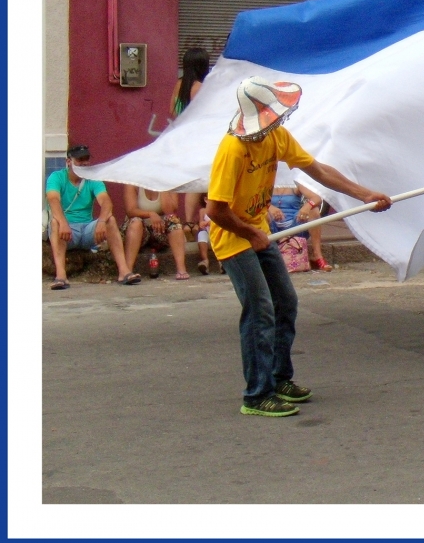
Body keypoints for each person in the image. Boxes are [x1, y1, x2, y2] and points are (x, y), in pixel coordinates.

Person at [207, 76, 391, 418]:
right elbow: (215, 210)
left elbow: (316, 169)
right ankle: (256, 394)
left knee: (285, 303)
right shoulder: (233, 149)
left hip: (258, 232)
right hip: (235, 240)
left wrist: (364, 193)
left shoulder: (276, 137)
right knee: (259, 310)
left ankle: (280, 379)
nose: (279, 119)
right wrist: (249, 232)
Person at [46, 145, 140, 289]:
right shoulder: (57, 177)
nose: (84, 163)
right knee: (55, 222)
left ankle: (124, 271)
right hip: (68, 230)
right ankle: (61, 276)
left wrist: (102, 221)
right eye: (79, 159)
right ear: (68, 161)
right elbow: (53, 200)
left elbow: (106, 202)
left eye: (86, 159)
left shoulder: (93, 179)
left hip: (87, 229)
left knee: (111, 220)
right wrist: (64, 223)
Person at [170, 47, 212, 241]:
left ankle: (188, 221)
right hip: (199, 139)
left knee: (190, 182)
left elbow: (172, 111)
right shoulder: (200, 87)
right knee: (201, 181)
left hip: (182, 139)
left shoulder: (179, 85)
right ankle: (199, 221)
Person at [120, 185, 190, 280]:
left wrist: (162, 187)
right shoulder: (133, 183)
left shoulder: (169, 182)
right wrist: (150, 214)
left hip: (159, 229)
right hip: (140, 229)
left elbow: (170, 211)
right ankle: (127, 271)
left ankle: (181, 269)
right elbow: (131, 211)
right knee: (136, 222)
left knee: (173, 221)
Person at [268, 183, 335, 271]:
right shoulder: (267, 183)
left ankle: (318, 256)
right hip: (273, 228)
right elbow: (254, 201)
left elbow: (317, 198)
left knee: (314, 210)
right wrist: (269, 207)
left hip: (295, 226)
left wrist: (307, 206)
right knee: (263, 213)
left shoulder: (294, 184)